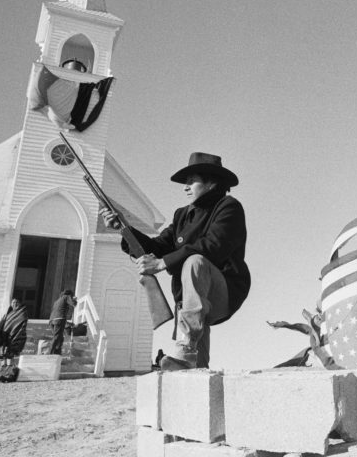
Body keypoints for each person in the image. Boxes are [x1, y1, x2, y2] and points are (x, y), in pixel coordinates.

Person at [100, 152, 250, 370]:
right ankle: (191, 363)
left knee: (195, 261)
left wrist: (162, 264)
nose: (185, 187)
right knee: (195, 367)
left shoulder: (229, 207)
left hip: (223, 291)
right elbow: (157, 246)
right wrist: (123, 229)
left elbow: (213, 246)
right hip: (190, 300)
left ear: (211, 183)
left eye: (192, 181)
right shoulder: (182, 215)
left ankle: (186, 346)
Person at [49, 290, 77, 355]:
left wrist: (69, 324)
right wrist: (74, 300)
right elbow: (73, 304)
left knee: (60, 338)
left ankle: (57, 354)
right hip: (58, 320)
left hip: (51, 321)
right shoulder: (66, 297)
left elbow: (58, 313)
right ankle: (49, 354)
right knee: (56, 337)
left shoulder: (57, 301)